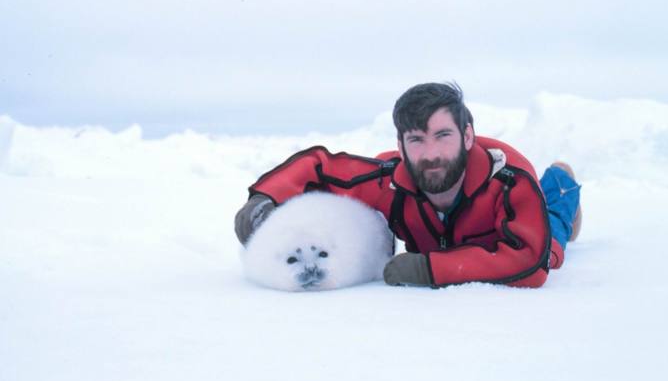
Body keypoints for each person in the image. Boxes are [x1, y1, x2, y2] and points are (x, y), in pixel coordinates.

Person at [234, 83, 581, 288]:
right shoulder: (391, 182)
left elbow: (529, 264)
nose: (431, 154)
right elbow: (320, 167)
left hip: (508, 232)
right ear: (400, 146)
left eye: (443, 136)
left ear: (468, 136)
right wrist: (264, 198)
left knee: (551, 243)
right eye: (417, 140)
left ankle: (561, 184)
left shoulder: (509, 182)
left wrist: (430, 269)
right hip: (446, 239)